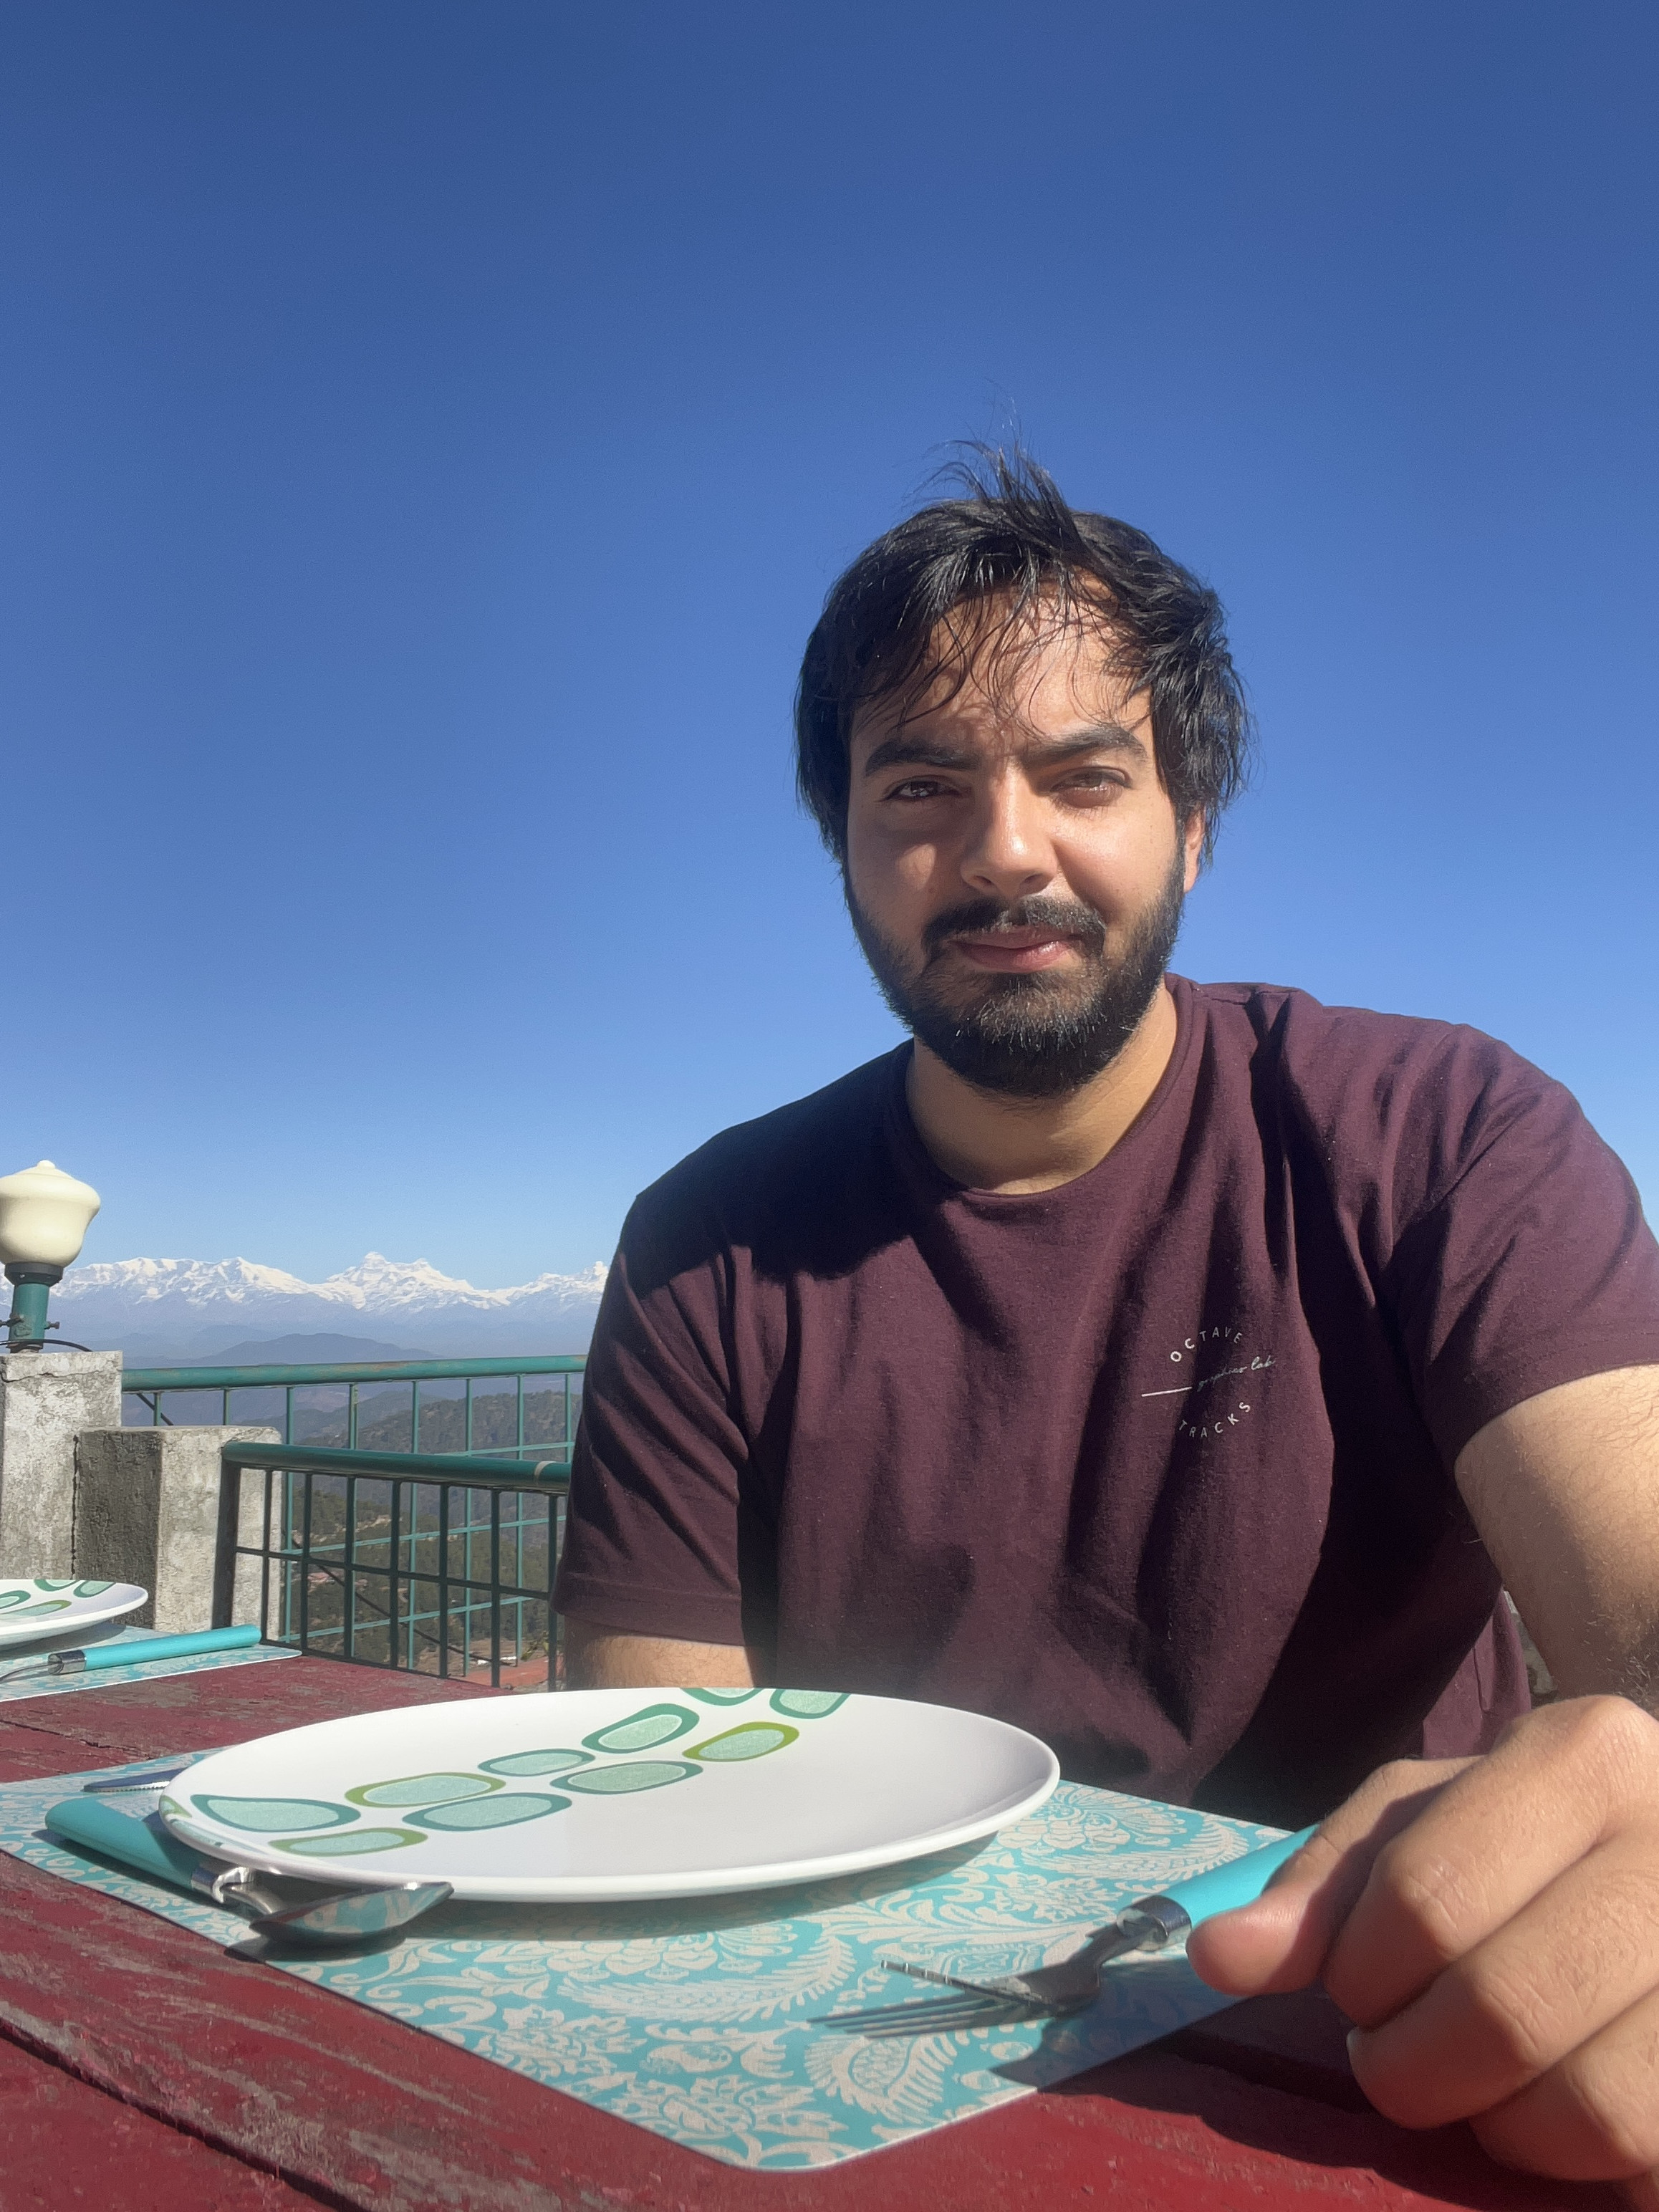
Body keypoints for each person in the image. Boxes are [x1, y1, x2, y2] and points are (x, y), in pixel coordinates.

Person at [553, 451, 1659, 2192]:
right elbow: (656, 1774)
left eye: (1084, 776)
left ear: (1192, 824)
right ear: (843, 843)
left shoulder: (1444, 1138)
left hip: (1393, 2062)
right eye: (921, 786)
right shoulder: (706, 1244)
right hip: (854, 2076)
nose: (1006, 850)